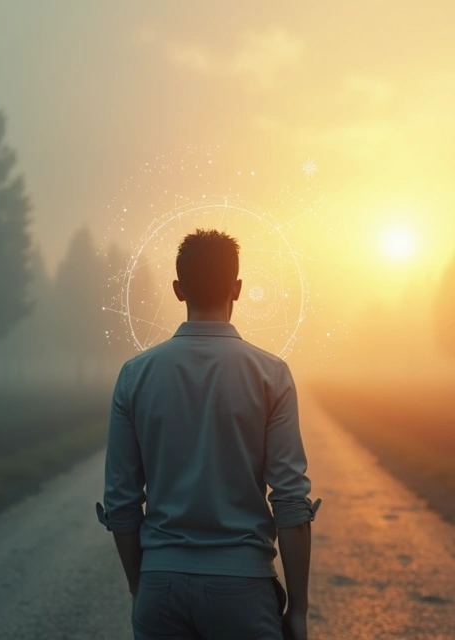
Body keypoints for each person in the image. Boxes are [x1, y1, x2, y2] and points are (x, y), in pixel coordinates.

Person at [97, 229, 319, 640]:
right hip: (243, 589)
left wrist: (139, 588)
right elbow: (290, 500)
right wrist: (299, 610)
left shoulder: (135, 376)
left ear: (178, 290)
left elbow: (121, 503)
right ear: (237, 289)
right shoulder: (271, 375)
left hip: (160, 586)